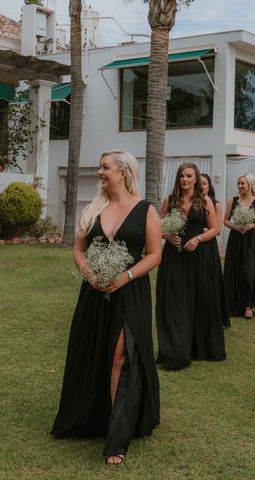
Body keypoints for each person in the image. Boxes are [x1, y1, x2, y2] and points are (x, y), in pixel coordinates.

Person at [51, 149, 162, 465]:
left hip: (131, 291)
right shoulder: (92, 209)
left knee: (120, 355)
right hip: (94, 293)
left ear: (123, 172)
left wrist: (125, 276)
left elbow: (154, 255)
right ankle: (92, 417)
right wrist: (92, 274)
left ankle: (118, 434)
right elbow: (78, 250)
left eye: (105, 167)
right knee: (94, 352)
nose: (100, 172)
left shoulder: (146, 210)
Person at [156, 164, 226, 370]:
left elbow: (215, 229)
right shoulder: (169, 201)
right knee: (174, 300)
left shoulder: (204, 201)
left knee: (200, 298)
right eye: (181, 176)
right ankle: (174, 349)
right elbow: (157, 226)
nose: (185, 179)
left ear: (195, 178)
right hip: (173, 256)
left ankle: (200, 346)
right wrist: (167, 235)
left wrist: (198, 238)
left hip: (198, 255)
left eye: (189, 176)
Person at [223, 173, 255, 318]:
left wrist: (251, 225)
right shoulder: (233, 200)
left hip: (251, 239)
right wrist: (236, 227)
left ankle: (248, 305)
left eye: (242, 183)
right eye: (238, 183)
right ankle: (233, 304)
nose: (239, 186)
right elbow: (226, 220)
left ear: (250, 185)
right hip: (236, 239)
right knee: (235, 269)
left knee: (248, 271)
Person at [200, 173, 230, 328]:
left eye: (204, 183)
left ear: (209, 186)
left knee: (211, 281)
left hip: (208, 246)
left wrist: (199, 230)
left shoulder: (215, 204)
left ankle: (218, 317)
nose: (201, 186)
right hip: (193, 246)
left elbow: (217, 229)